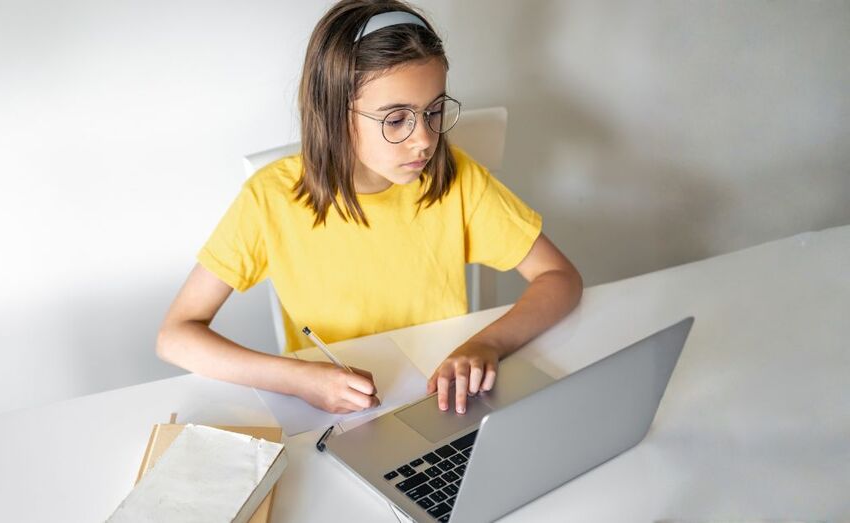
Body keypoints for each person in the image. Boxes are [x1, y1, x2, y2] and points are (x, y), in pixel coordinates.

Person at [156, 0, 582, 416]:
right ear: (336, 113)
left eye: (434, 110)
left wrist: (487, 344)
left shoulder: (454, 179)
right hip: (338, 414)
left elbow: (559, 278)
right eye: (396, 119)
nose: (425, 140)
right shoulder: (271, 198)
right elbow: (176, 336)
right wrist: (298, 378)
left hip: (439, 403)